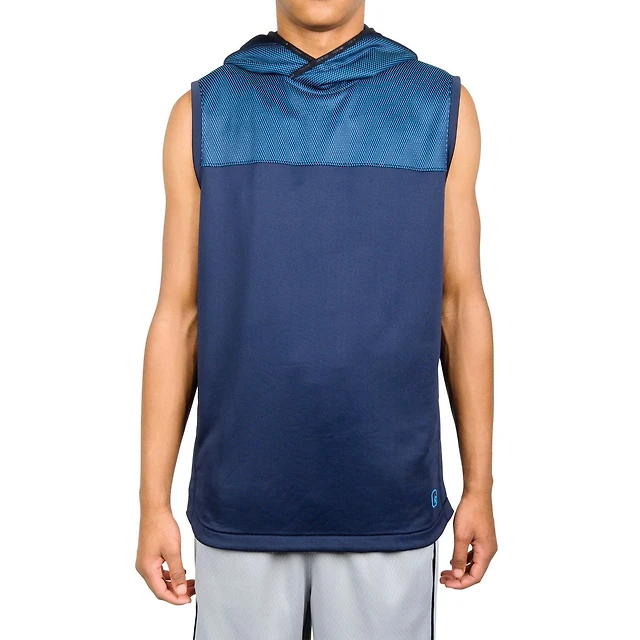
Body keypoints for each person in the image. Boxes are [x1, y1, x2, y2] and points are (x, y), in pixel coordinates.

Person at [135, 1, 497, 637]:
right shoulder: (202, 112)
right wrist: (151, 503)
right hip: (241, 498)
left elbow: (460, 305)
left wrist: (480, 488)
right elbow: (178, 315)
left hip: (388, 497)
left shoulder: (440, 108)